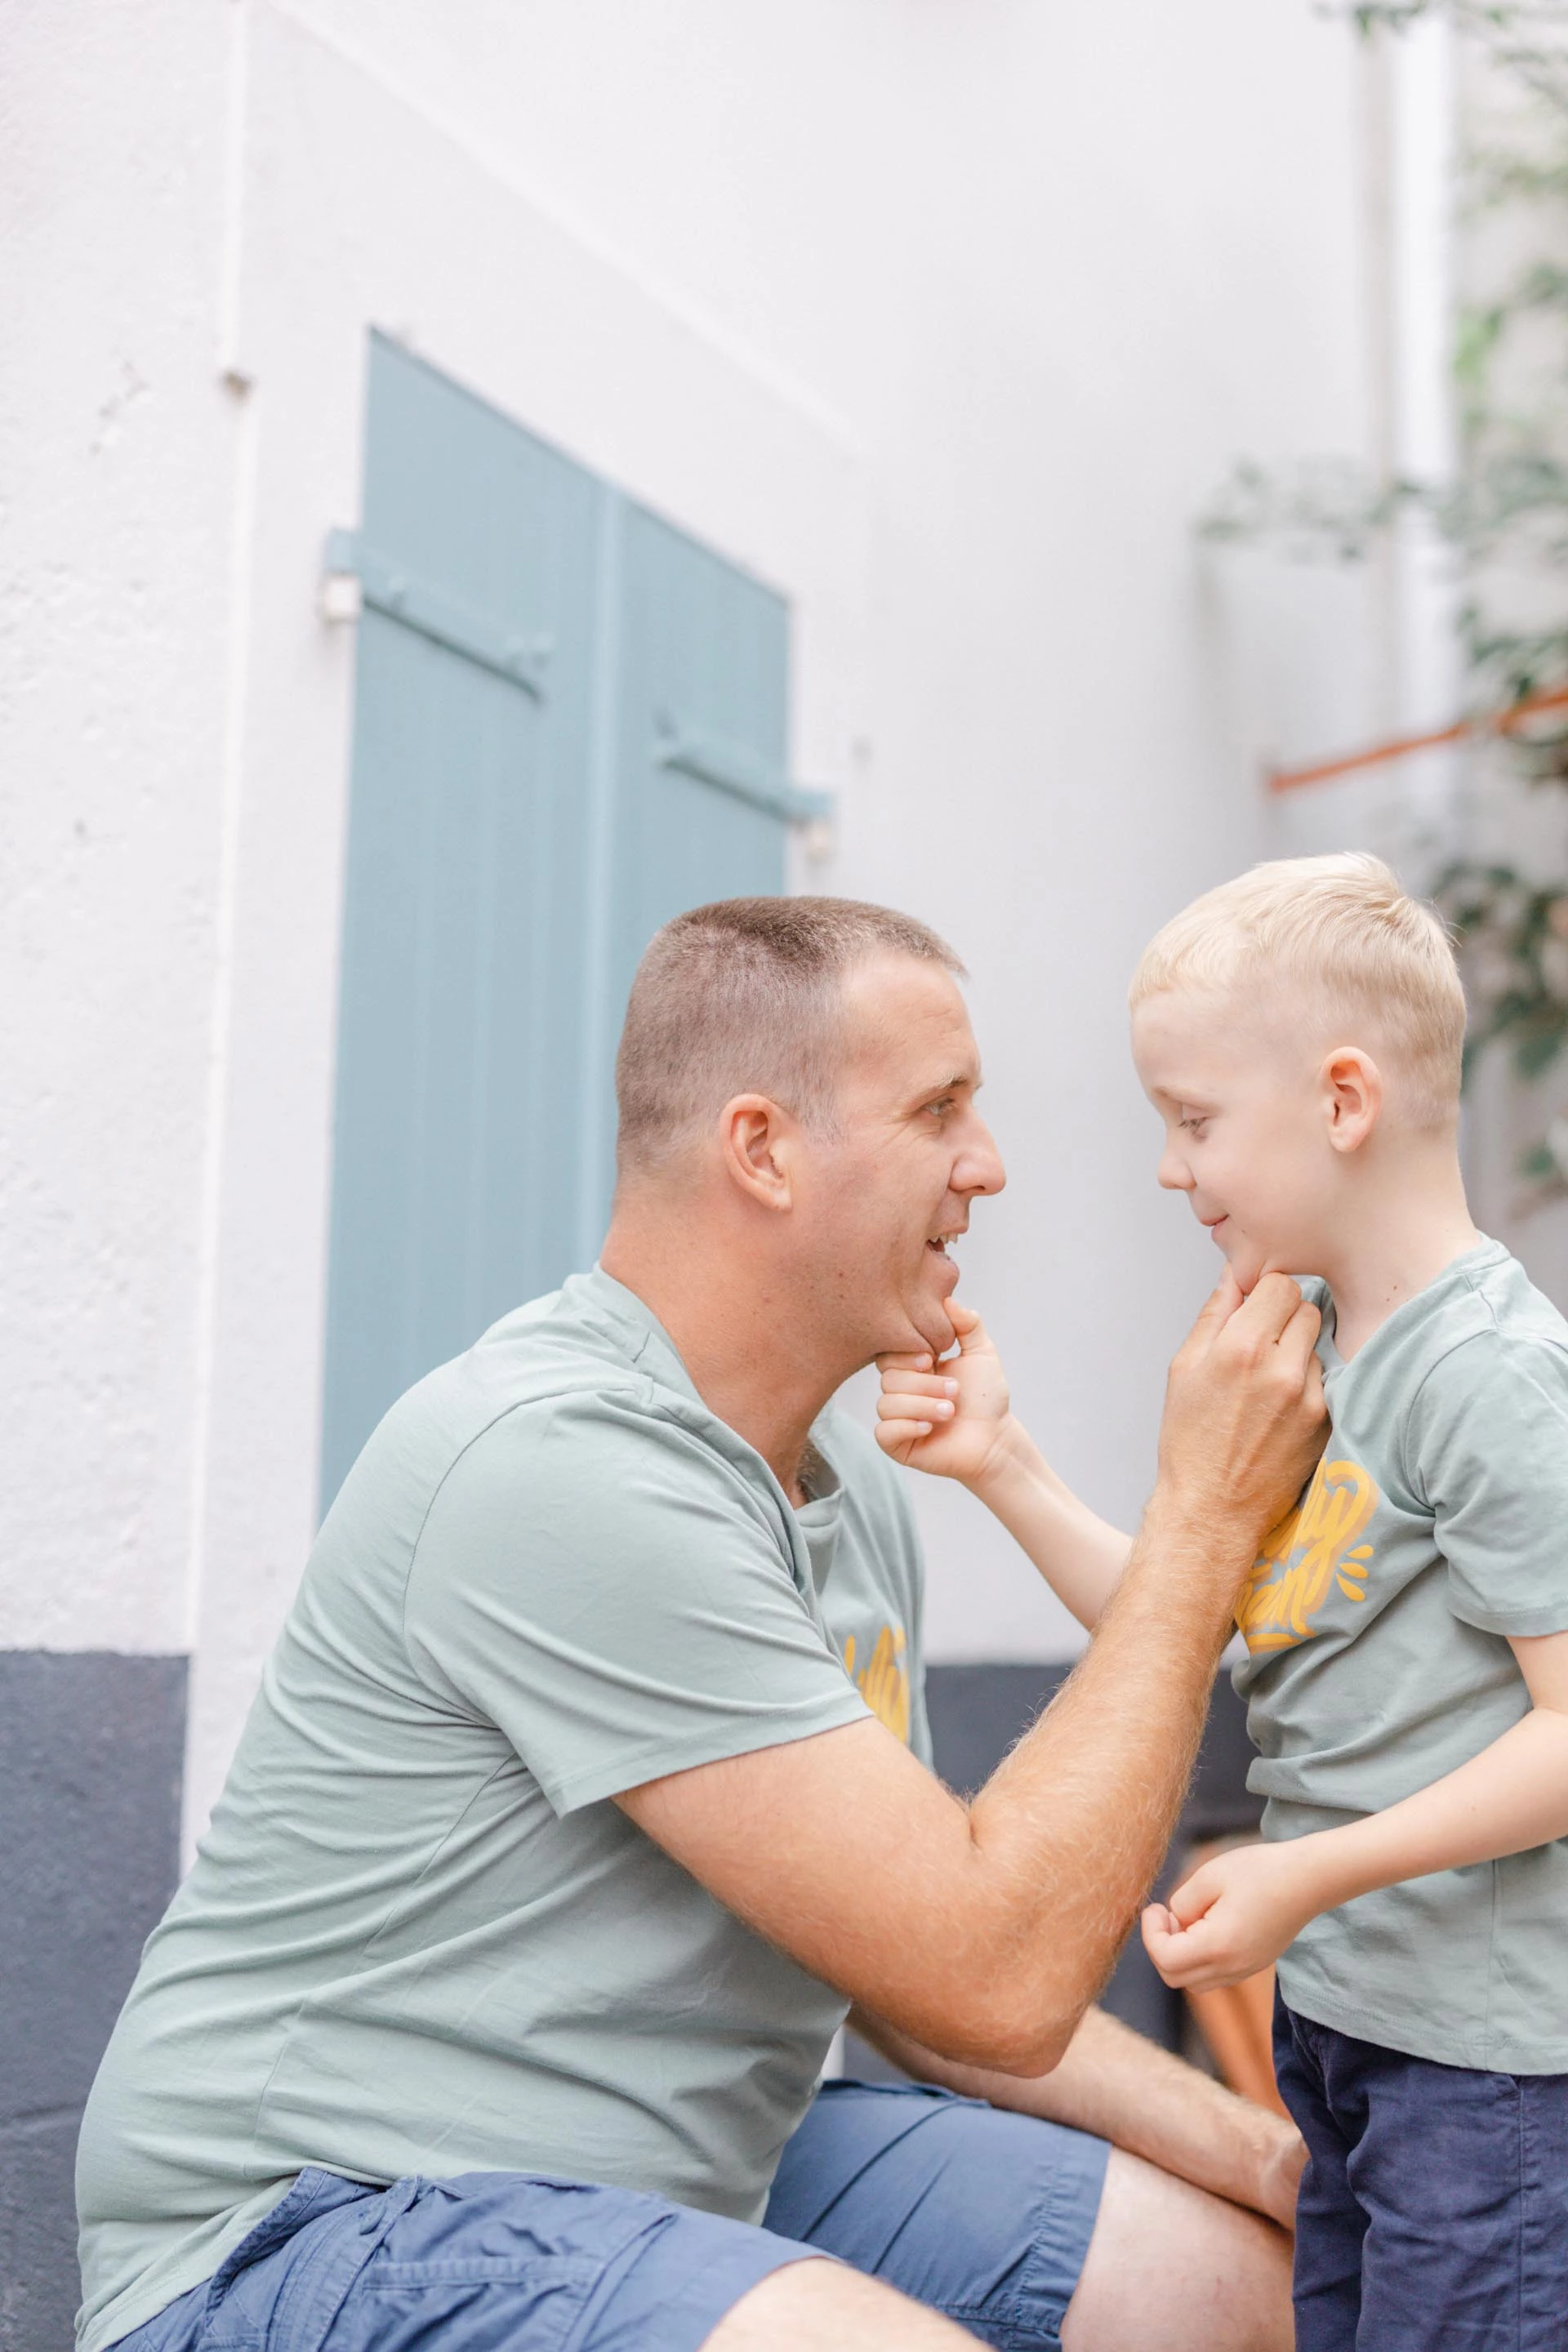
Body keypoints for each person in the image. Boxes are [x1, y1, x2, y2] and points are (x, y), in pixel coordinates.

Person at [78, 898, 1322, 2352]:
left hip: (682, 2176)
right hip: (313, 2228)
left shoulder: (841, 1479)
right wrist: (1203, 1518)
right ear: (762, 1150)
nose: (987, 1167)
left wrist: (1263, 2154)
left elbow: (914, 1974)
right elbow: (994, 1977)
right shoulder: (561, 1464)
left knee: (1250, 2289)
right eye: (940, 1112)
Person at [882, 858, 1568, 2352]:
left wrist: (1311, 1872)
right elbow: (1205, 1622)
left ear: (1340, 1101)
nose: (1171, 1169)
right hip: (1352, 2032)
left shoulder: (1489, 1376)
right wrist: (1001, 1465)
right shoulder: (1302, 1346)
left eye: (1193, 1122)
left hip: (1493, 2075)